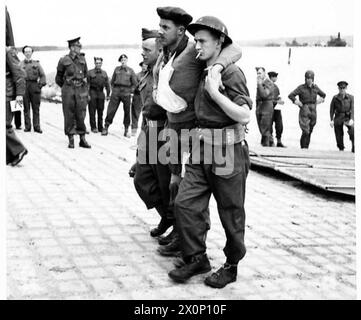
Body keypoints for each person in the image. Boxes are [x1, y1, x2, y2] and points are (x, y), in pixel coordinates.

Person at [167, 16, 252, 289]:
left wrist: (216, 93)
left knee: (231, 211)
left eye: (203, 41)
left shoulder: (230, 73)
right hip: (201, 149)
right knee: (185, 203)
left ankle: (231, 266)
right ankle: (197, 257)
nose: (198, 46)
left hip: (227, 151)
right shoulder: (204, 68)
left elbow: (244, 114)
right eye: (196, 40)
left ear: (219, 43)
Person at [153, 6, 242, 258]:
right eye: (159, 26)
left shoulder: (196, 49)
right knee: (179, 189)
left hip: (197, 134)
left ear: (181, 30)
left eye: (165, 27)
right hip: (175, 129)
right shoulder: (166, 51)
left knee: (201, 195)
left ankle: (199, 246)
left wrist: (216, 68)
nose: (160, 31)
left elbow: (235, 49)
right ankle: (184, 238)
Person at [133, 28, 174, 240]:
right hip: (148, 131)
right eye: (142, 50)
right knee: (141, 180)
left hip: (163, 134)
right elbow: (144, 112)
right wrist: (140, 147)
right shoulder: (145, 73)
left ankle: (176, 226)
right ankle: (166, 216)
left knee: (165, 184)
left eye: (146, 50)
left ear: (160, 51)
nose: (143, 54)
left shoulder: (167, 73)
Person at [55, 37, 91, 149]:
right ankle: (71, 138)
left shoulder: (83, 59)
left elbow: (86, 75)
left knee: (81, 114)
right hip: (68, 89)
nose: (80, 48)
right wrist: (67, 87)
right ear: (71, 48)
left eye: (80, 46)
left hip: (80, 89)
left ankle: (82, 138)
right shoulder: (63, 60)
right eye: (77, 46)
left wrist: (84, 89)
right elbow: (58, 78)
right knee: (69, 113)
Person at [6, 6, 28, 166]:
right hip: (8, 95)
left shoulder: (8, 52)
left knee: (5, 125)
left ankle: (19, 150)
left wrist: (19, 96)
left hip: (10, 95)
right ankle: (11, 156)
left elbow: (20, 75)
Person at [102, 54, 138, 137]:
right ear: (120, 61)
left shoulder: (130, 70)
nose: (123, 61)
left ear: (127, 61)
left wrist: (130, 91)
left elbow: (135, 83)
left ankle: (126, 129)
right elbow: (112, 81)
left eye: (125, 60)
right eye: (122, 60)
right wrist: (114, 90)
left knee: (127, 111)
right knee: (111, 109)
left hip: (126, 92)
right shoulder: (116, 69)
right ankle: (106, 127)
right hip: (116, 92)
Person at [288, 70, 326, 149]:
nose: (309, 80)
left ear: (313, 79)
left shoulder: (315, 87)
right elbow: (291, 95)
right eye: (307, 78)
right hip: (304, 109)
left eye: (310, 78)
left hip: (313, 109)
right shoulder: (301, 88)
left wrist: (320, 100)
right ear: (305, 79)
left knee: (310, 130)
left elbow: (323, 94)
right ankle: (303, 148)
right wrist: (296, 102)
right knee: (305, 130)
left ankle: (306, 148)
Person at [20, 45, 47, 133]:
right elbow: (17, 76)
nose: (27, 53)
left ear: (32, 53)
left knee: (36, 108)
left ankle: (37, 127)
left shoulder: (37, 64)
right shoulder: (20, 64)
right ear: (23, 53)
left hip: (34, 86)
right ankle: (27, 126)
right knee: (26, 107)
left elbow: (42, 75)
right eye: (26, 52)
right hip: (24, 86)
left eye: (29, 51)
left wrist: (40, 85)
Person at [87, 57, 110, 133]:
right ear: (94, 63)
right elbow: (87, 85)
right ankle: (93, 127)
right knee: (92, 111)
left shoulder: (104, 73)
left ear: (101, 64)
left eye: (99, 63)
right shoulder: (90, 72)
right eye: (97, 63)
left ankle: (100, 127)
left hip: (101, 93)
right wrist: (87, 95)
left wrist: (108, 94)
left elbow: (107, 84)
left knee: (101, 110)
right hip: (92, 92)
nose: (98, 64)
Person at [330, 81, 354, 152]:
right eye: (340, 88)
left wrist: (352, 119)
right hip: (338, 117)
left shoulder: (351, 97)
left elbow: (353, 109)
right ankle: (341, 148)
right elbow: (331, 109)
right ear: (338, 88)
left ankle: (354, 146)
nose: (342, 90)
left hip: (347, 117)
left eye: (343, 88)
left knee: (353, 130)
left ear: (346, 88)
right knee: (338, 134)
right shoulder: (335, 98)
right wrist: (331, 120)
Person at [255, 67, 274, 147]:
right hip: (259, 106)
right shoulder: (260, 82)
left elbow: (264, 95)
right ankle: (269, 143)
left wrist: (259, 84)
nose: (258, 75)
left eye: (260, 73)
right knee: (261, 128)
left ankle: (266, 147)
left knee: (265, 128)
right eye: (257, 73)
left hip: (266, 106)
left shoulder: (269, 83)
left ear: (264, 73)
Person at [268, 71, 286, 147]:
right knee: (269, 126)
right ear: (271, 77)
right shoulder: (266, 86)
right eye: (275, 76)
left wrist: (279, 99)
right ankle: (270, 141)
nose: (276, 78)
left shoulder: (275, 87)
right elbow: (266, 99)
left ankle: (279, 141)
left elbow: (276, 96)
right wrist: (277, 101)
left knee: (279, 125)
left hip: (275, 108)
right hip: (268, 108)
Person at [131, 62, 148, 136]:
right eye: (143, 66)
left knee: (146, 114)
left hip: (146, 97)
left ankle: (143, 131)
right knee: (135, 113)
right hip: (138, 96)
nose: (144, 67)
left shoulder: (149, 75)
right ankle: (134, 130)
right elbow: (133, 86)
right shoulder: (137, 75)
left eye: (145, 66)